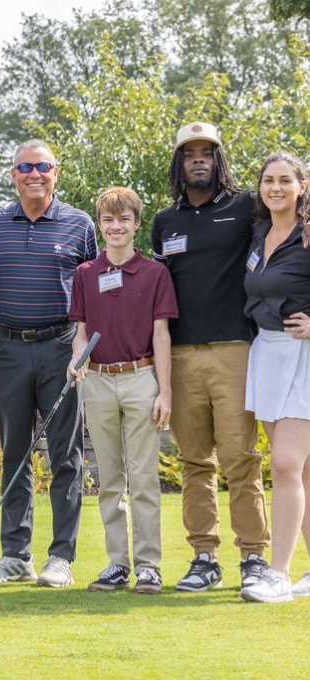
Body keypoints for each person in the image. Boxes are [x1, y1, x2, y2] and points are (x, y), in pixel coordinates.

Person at [150, 122, 270, 592]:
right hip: (179, 355)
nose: (198, 159)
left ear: (218, 160)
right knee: (195, 461)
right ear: (179, 164)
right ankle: (204, 557)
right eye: (189, 153)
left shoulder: (246, 208)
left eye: (206, 152)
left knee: (241, 458)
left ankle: (254, 558)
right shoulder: (164, 222)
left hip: (234, 351)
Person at [0, 139, 97, 588]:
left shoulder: (80, 225)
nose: (34, 173)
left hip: (60, 346)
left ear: (55, 172)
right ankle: (15, 556)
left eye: (42, 166)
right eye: (25, 166)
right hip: (7, 347)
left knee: (66, 454)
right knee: (15, 452)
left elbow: (91, 293)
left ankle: (60, 558)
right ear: (13, 174)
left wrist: (83, 350)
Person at [67, 187, 178, 595]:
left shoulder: (154, 274)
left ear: (136, 224)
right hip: (96, 380)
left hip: (140, 378)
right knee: (109, 479)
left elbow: (161, 335)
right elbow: (80, 334)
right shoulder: (84, 274)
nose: (116, 227)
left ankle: (148, 565)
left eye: (124, 219)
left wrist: (164, 391)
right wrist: (76, 358)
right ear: (101, 225)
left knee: (144, 477)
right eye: (109, 220)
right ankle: (118, 563)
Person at [239, 152, 310, 603]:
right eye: (268, 180)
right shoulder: (260, 232)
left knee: (285, 464)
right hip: (266, 352)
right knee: (301, 470)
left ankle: (279, 574)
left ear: (302, 185)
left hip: (304, 354)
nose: (276, 188)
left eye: (286, 180)